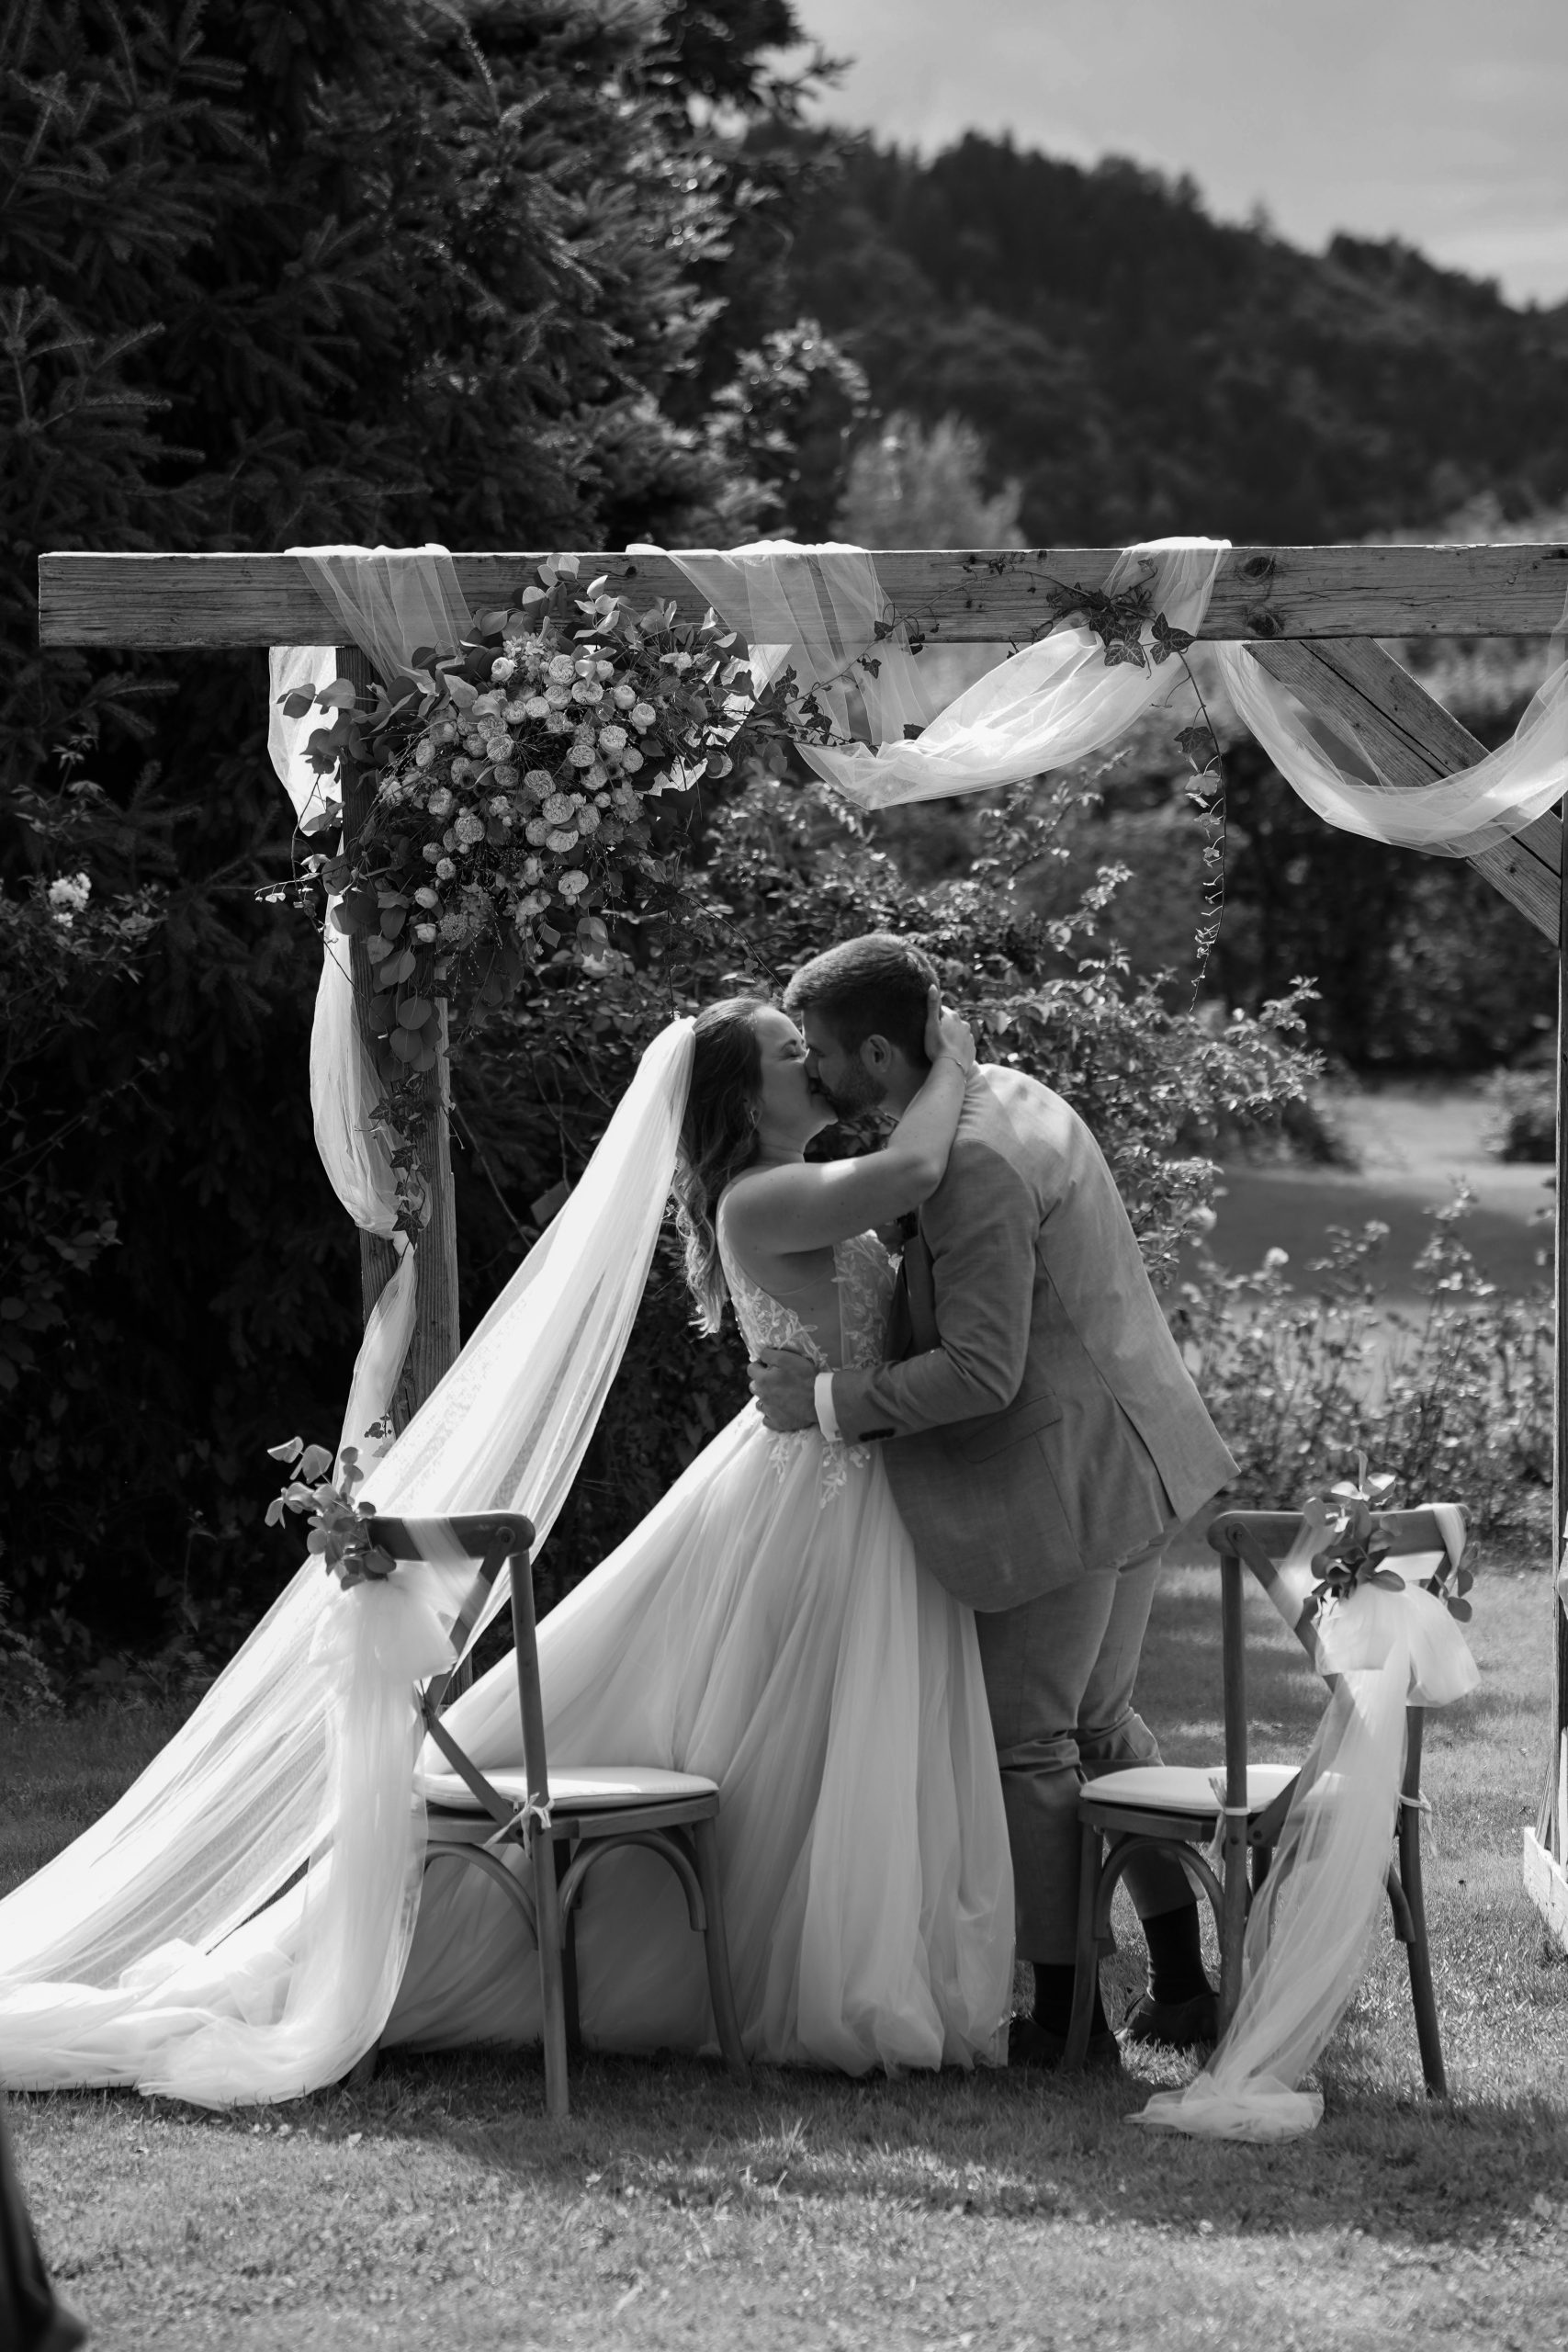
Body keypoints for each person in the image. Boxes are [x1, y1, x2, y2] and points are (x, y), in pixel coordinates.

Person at [381, 988, 1015, 2072]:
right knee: (821, 1736)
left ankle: (858, 1961)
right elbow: (914, 1170)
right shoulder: (758, 1200)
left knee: (849, 1738)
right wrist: (950, 1054)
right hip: (824, 1497)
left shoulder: (796, 1185)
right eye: (789, 1053)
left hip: (852, 1471)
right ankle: (821, 1981)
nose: (814, 1063)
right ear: (746, 1103)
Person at [749, 934, 1239, 2069]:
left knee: (1031, 1745)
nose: (814, 1072)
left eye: (821, 1052)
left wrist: (826, 1398)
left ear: (880, 1052)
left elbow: (980, 1370)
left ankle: (1065, 2021)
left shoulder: (969, 1159)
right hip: (1135, 1456)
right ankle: (1180, 1986)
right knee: (1103, 1727)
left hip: (1063, 1480)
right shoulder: (1006, 1092)